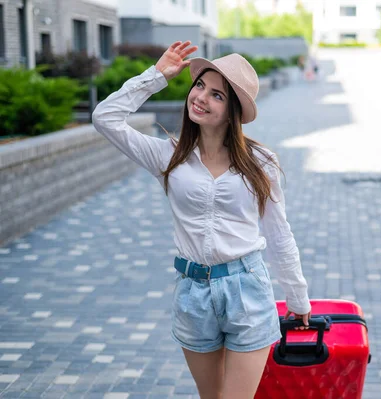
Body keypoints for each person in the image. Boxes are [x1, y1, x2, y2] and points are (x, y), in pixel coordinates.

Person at [92, 40, 312, 399]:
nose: (201, 98)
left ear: (233, 111)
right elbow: (105, 117)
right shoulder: (168, 157)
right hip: (193, 292)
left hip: (248, 289)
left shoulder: (261, 163)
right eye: (199, 86)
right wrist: (155, 76)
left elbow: (279, 233)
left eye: (217, 95)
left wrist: (297, 298)